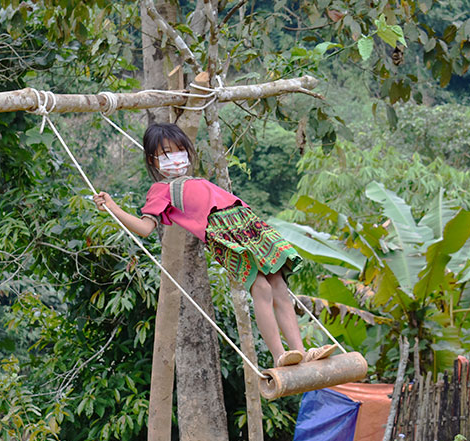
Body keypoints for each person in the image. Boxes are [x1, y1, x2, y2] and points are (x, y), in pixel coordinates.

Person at [92, 122, 337, 369]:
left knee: (279, 285)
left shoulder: (196, 180)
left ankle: (301, 352)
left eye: (179, 151)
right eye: (166, 154)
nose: (175, 158)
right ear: (153, 160)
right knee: (260, 287)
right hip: (221, 233)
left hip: (247, 224)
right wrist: (113, 207)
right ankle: (278, 355)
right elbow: (145, 228)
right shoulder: (161, 190)